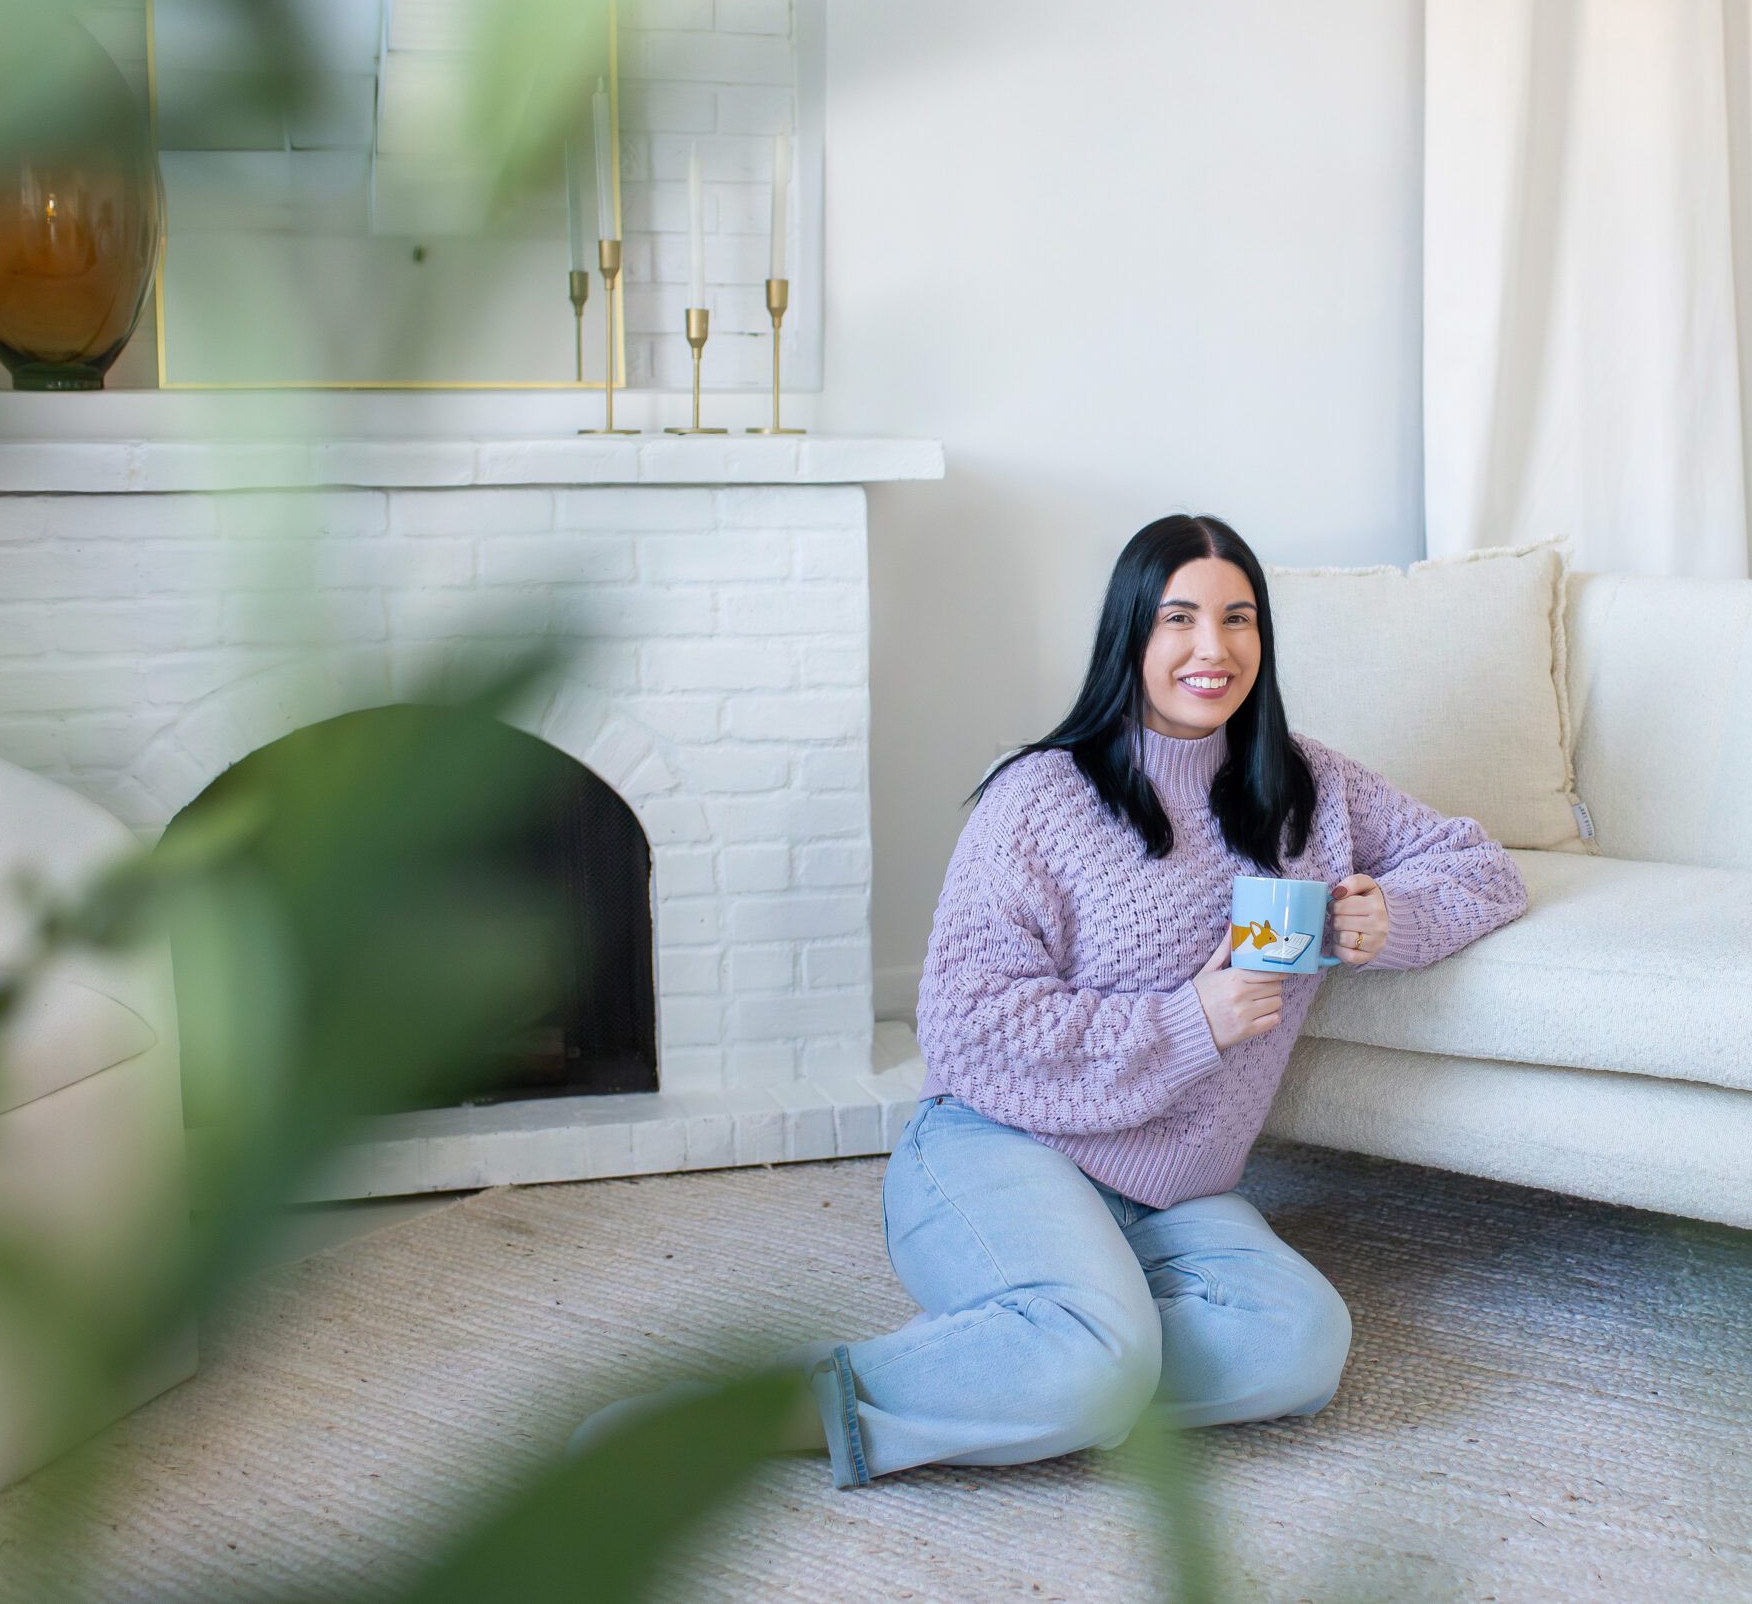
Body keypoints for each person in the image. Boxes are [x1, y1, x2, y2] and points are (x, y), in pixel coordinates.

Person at [568, 513, 1529, 1488]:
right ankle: (763, 1410)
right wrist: (1187, 1021)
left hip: (1175, 1192)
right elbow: (964, 1021)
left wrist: (1389, 919)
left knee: (1296, 1345)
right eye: (1179, 619)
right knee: (1097, 1354)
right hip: (1000, 1148)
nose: (1213, 648)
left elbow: (1480, 867)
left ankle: (1055, 1364)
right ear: (1130, 636)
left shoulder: (1310, 785)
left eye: (1239, 619)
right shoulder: (1042, 795)